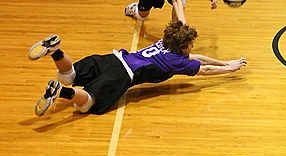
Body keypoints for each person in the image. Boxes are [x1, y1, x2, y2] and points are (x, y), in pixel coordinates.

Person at [28, 24, 247, 116]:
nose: (192, 48)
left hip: (113, 58)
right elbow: (204, 70)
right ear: (182, 46)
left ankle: (55, 50)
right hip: (123, 75)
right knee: (87, 104)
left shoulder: (166, 43)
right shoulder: (177, 62)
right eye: (190, 44)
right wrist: (229, 71)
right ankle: (61, 93)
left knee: (70, 74)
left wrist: (227, 62)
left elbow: (197, 57)